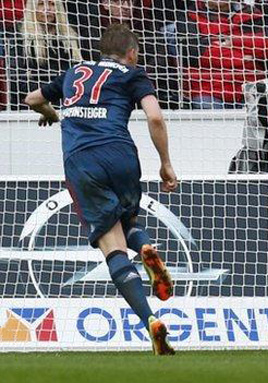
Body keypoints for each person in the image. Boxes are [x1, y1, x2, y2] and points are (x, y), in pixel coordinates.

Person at [23, 24, 177, 355]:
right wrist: (165, 163)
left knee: (113, 248)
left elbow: (32, 98)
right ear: (132, 53)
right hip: (121, 155)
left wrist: (51, 113)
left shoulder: (74, 72)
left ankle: (150, 320)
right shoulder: (133, 74)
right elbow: (155, 118)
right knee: (128, 223)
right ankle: (146, 246)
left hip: (83, 163)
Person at [5, 0, 82, 109]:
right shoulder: (17, 35)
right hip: (30, 104)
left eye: (52, 4)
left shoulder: (71, 36)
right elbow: (16, 80)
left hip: (65, 101)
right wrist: (47, 93)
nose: (47, 8)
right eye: (41, 4)